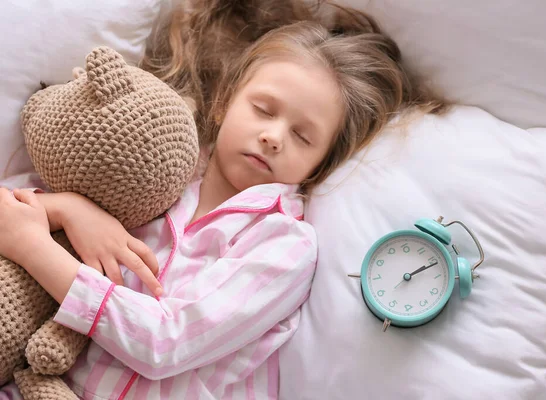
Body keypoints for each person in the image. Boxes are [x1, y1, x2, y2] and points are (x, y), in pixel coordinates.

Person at [0, 0, 445, 398]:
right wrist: (68, 208)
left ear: (320, 164)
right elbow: (10, 211)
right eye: (264, 110)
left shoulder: (284, 244)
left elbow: (165, 343)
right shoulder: (153, 160)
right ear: (225, 103)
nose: (273, 136)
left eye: (303, 136)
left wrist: (35, 248)